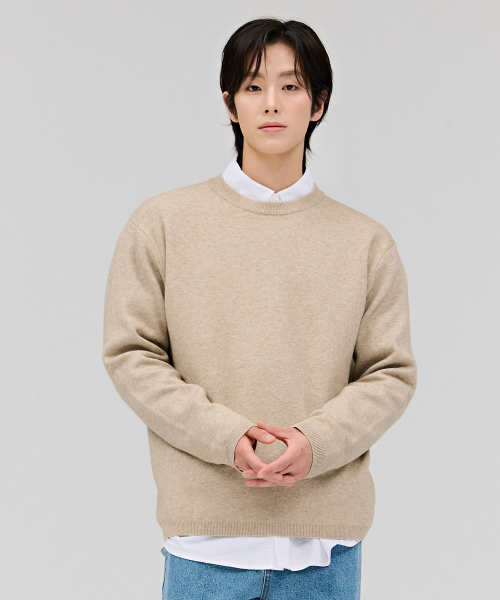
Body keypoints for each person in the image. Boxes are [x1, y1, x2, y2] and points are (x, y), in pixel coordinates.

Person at [102, 17, 417, 600]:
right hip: (205, 546)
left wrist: (314, 442)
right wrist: (227, 436)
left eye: (290, 86)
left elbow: (390, 373)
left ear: (318, 103)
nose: (271, 102)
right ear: (230, 103)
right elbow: (132, 356)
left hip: (325, 550)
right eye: (253, 86)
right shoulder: (164, 224)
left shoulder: (365, 241)